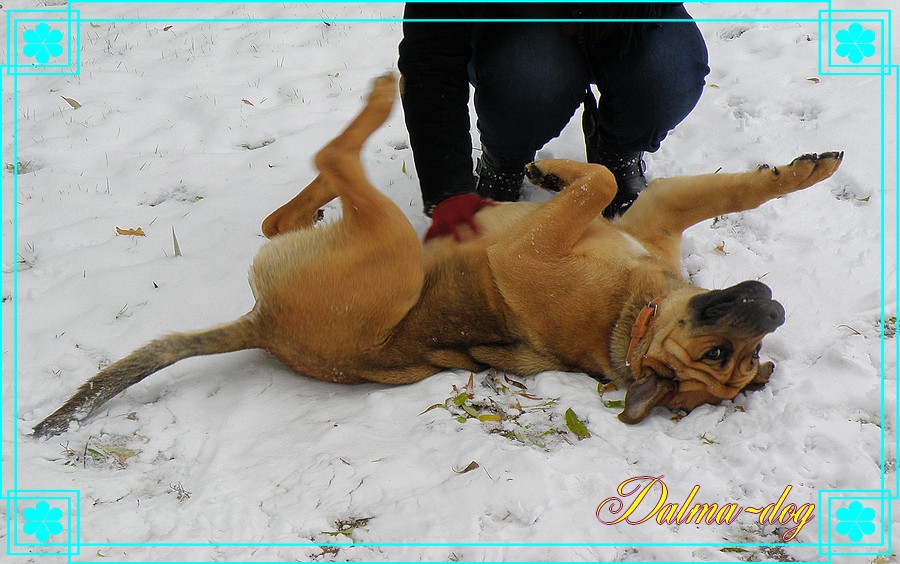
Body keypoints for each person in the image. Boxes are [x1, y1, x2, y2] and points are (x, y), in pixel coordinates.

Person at [397, 3, 710, 241]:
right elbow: (430, 57)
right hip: (521, 30)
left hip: (626, 22)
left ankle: (617, 152)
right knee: (531, 77)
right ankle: (505, 159)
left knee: (669, 72)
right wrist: (449, 191)